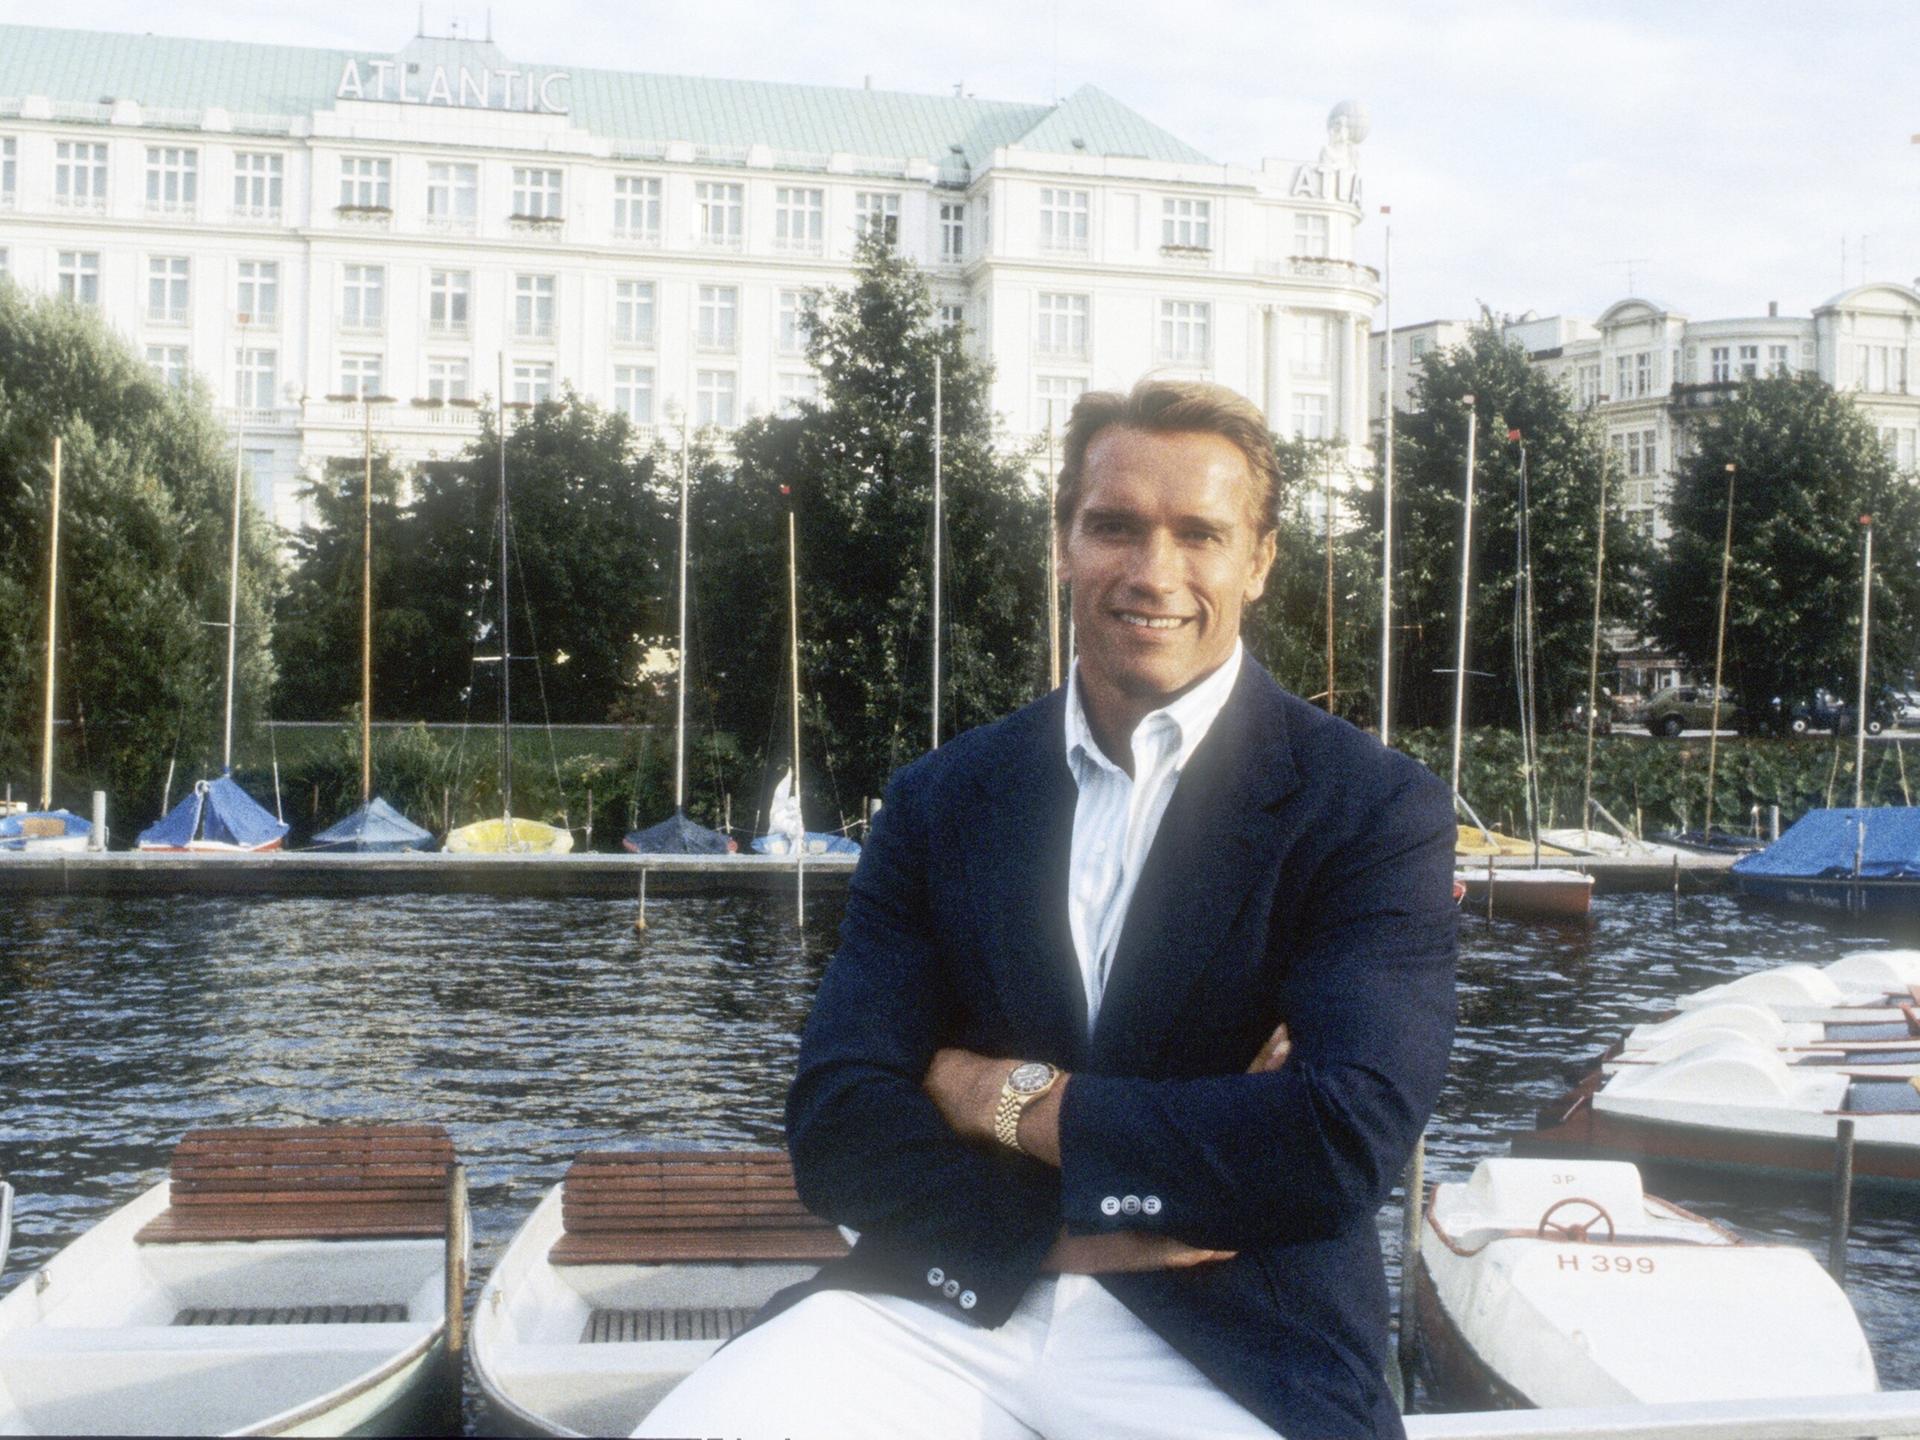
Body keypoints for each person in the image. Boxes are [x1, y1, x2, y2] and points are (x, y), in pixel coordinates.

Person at [636, 378, 1457, 1439]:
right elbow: (838, 1124)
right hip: (939, 1306)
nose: (1152, 573)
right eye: (1115, 525)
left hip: (1234, 1339)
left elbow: (1337, 1142)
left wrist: (994, 1095)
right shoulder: (944, 797)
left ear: (1258, 561)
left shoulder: (1368, 808)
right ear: (1065, 540)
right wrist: (1076, 1230)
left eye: (1199, 533)